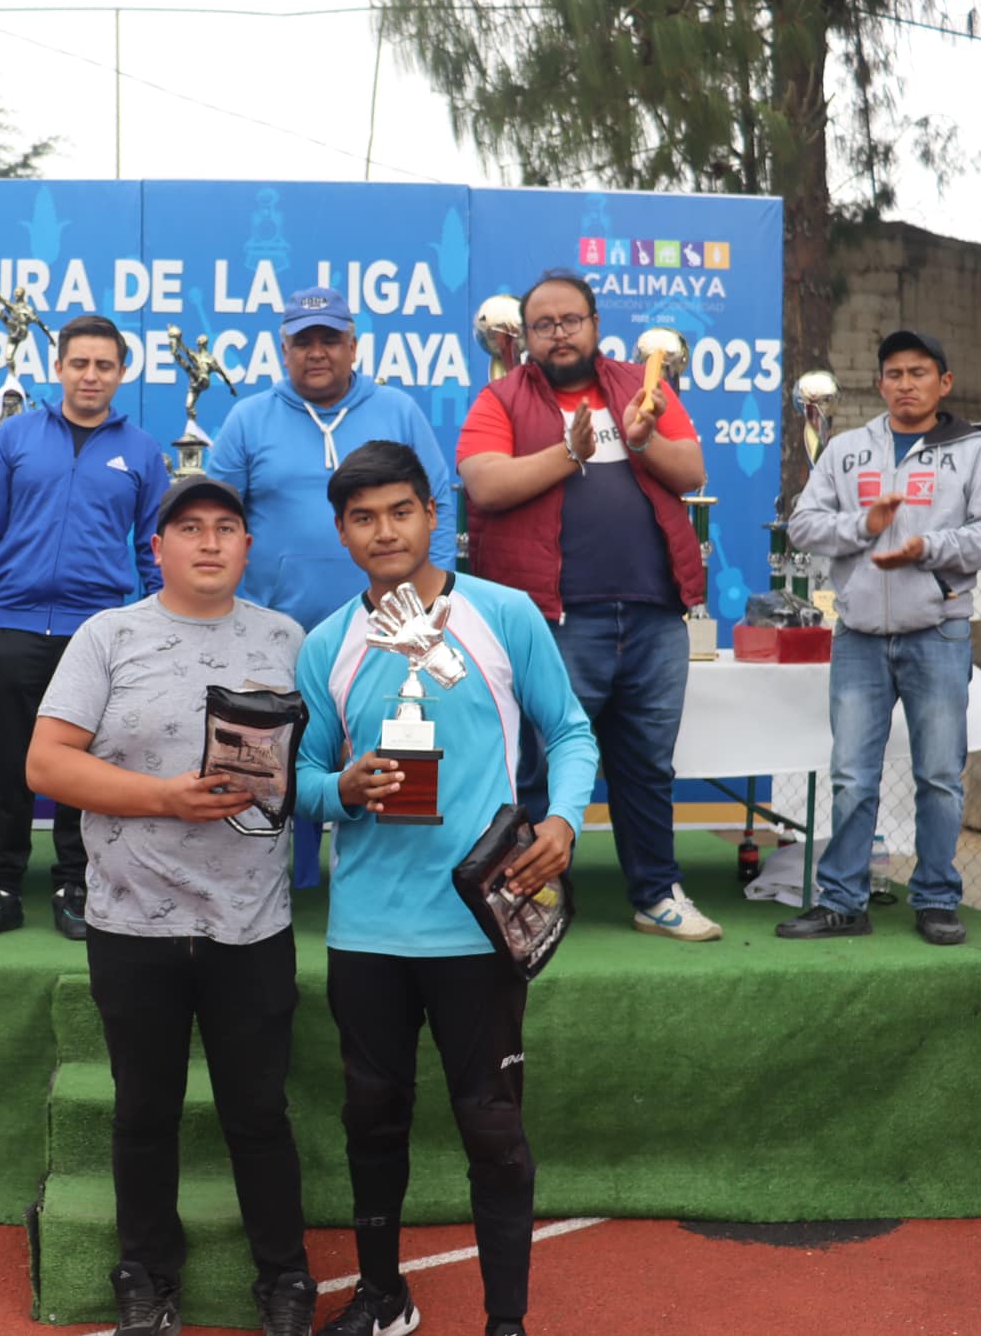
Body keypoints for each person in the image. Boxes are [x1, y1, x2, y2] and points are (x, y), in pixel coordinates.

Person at [294, 441, 597, 1336]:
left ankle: (507, 1322)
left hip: (478, 931)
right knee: (373, 1123)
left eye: (399, 511)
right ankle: (385, 1297)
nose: (383, 531)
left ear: (434, 516)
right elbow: (299, 779)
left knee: (493, 1133)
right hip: (369, 934)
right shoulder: (326, 644)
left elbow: (571, 732)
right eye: (362, 517)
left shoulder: (503, 615)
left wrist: (564, 821)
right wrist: (340, 791)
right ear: (342, 531)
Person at [27, 475, 316, 1336]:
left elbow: (318, 765)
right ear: (156, 548)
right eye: (188, 528)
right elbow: (46, 765)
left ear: (248, 548)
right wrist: (163, 798)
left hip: (250, 921)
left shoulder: (287, 639)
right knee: (144, 1111)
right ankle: (146, 1276)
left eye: (227, 527)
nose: (210, 542)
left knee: (258, 1113)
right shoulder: (108, 636)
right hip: (133, 923)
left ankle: (286, 1278)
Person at [455, 271, 720, 942]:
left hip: (656, 615)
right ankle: (529, 899)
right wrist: (566, 453)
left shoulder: (641, 387)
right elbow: (483, 483)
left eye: (570, 320)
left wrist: (639, 440)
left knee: (647, 765)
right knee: (538, 765)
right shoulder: (502, 397)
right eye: (543, 324)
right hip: (555, 621)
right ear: (527, 336)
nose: (558, 333)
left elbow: (691, 471)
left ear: (596, 324)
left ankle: (656, 893)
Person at [208, 286, 456, 889]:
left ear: (353, 345)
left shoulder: (397, 409)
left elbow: (438, 504)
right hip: (275, 625)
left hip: (388, 619)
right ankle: (283, 884)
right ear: (283, 348)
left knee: (383, 746)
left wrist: (435, 599)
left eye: (329, 339)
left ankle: (379, 881)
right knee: (278, 754)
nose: (316, 352)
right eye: (303, 341)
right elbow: (217, 512)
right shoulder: (249, 418)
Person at [780, 330, 981, 945]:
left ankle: (936, 898)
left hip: (938, 633)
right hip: (857, 637)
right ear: (879, 383)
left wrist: (928, 548)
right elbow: (802, 525)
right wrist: (864, 526)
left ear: (945, 382)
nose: (905, 384)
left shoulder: (972, 449)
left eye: (918, 372)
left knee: (939, 774)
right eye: (894, 373)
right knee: (851, 775)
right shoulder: (848, 449)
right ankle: (842, 903)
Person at [0, 313, 169, 941]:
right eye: (80, 363)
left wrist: (156, 625)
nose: (91, 376)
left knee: (86, 766)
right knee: (14, 763)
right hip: (17, 626)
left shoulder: (143, 451)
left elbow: (152, 550)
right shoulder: (17, 437)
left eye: (105, 365)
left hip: (99, 634)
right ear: (59, 368)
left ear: (122, 373)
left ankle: (75, 885)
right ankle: (1, 886)